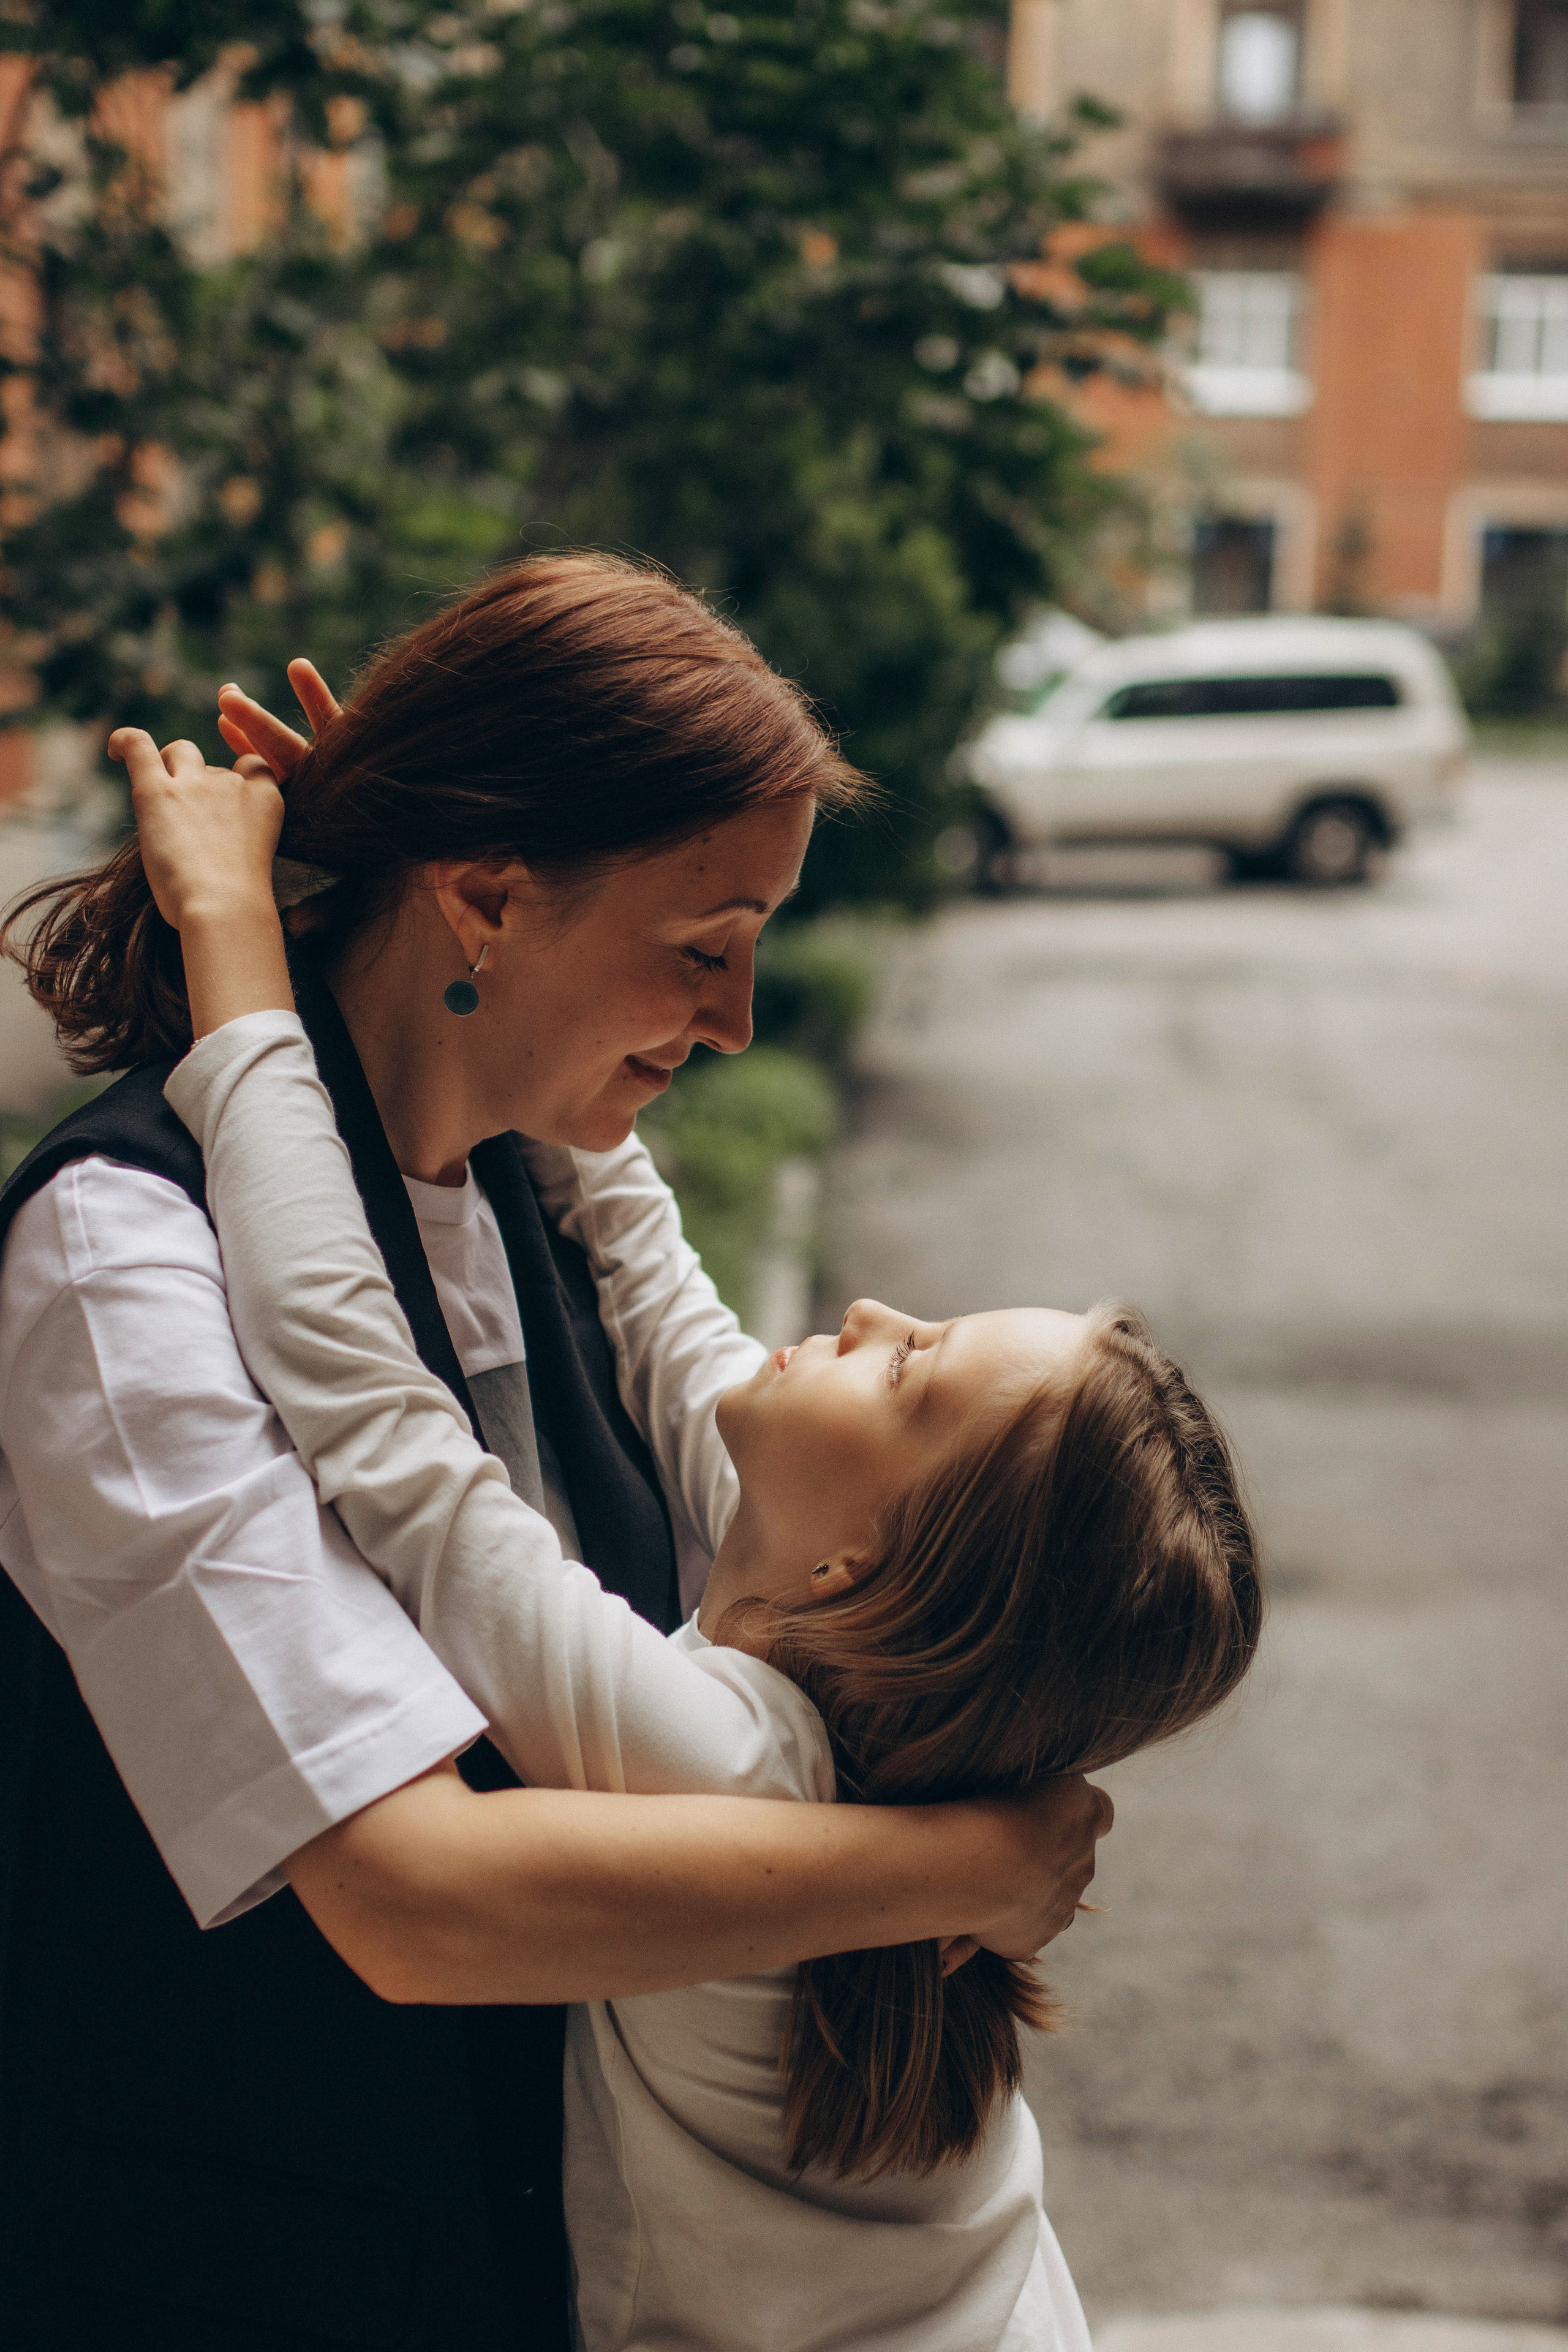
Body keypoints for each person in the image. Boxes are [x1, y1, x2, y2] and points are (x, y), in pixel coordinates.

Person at [0, 555, 1109, 2352]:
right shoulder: (126, 1256)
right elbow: (409, 1897)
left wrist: (379, 867)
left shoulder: (547, 1203)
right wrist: (964, 1865)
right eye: (706, 948)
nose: (742, 1022)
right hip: (242, 2279)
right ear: (493, 900)